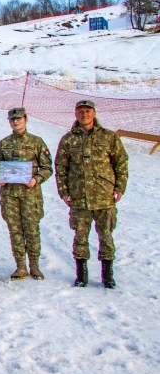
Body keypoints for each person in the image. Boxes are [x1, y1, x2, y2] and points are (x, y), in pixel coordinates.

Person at [55, 99, 128, 288]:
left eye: (88, 111)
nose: (84, 114)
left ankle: (107, 275)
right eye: (80, 111)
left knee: (106, 236)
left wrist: (120, 187)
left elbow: (121, 162)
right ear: (75, 114)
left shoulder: (108, 137)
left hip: (104, 196)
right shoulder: (68, 139)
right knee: (80, 236)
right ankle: (81, 274)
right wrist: (63, 191)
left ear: (94, 113)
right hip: (79, 197)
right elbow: (61, 167)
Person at [0, 107, 54, 281]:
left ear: (26, 119)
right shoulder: (4, 143)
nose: (16, 121)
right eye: (12, 119)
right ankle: (20, 266)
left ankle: (35, 266)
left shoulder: (37, 142)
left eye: (19, 118)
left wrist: (36, 179)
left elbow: (47, 168)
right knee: (15, 231)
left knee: (32, 231)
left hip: (30, 195)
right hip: (10, 195)